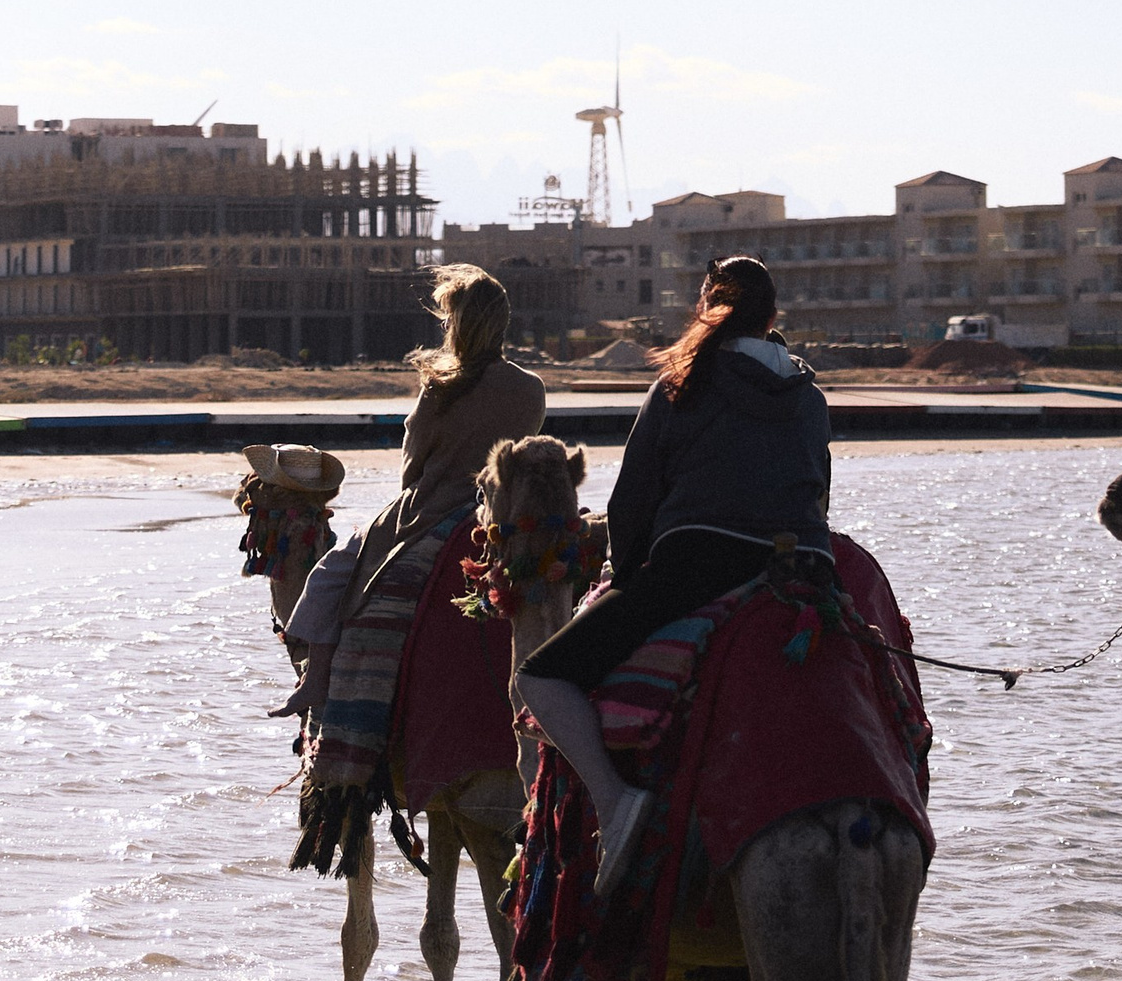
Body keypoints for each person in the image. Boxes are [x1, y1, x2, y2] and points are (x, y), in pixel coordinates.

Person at [517, 254, 831, 891]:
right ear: (772, 316)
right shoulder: (809, 393)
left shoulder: (682, 383)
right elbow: (819, 492)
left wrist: (628, 576)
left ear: (708, 309)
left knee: (540, 677)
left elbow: (631, 500)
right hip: (805, 568)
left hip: (701, 563)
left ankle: (614, 801)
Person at [281, 266, 545, 705]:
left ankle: (316, 678)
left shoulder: (440, 387)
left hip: (428, 510)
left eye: (447, 320)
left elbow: (413, 464)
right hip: (501, 513)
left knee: (329, 576)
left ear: (457, 324)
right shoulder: (530, 387)